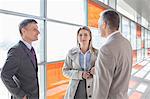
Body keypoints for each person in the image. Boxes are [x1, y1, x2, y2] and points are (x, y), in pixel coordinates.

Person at [93, 9, 132, 99]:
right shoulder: (127, 43)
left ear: (104, 25)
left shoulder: (106, 48)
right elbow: (119, 70)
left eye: (99, 24)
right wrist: (98, 70)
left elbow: (101, 89)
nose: (98, 27)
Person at [1, 19, 40, 99]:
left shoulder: (31, 49)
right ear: (24, 31)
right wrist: (21, 95)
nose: (38, 32)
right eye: (34, 29)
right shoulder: (16, 51)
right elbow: (5, 75)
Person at [62, 26, 98, 99]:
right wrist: (80, 74)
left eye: (85, 35)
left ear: (90, 37)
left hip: (93, 87)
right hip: (75, 89)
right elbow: (65, 71)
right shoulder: (71, 53)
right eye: (80, 35)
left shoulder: (97, 53)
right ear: (77, 37)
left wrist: (96, 70)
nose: (82, 37)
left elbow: (103, 70)